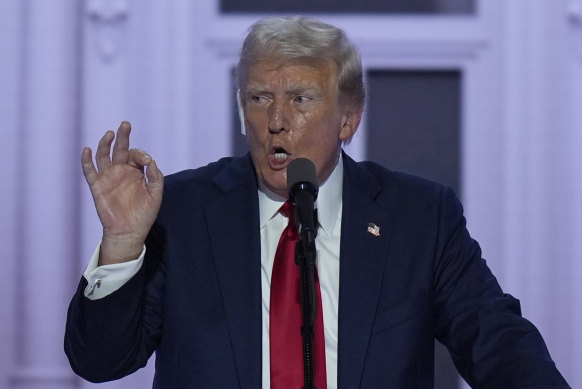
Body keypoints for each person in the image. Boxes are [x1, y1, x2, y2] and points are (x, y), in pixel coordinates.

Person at [64, 16, 570, 388]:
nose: (276, 121)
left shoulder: (419, 217)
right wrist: (123, 243)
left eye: (301, 99)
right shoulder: (181, 210)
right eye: (259, 98)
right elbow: (100, 361)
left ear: (349, 119)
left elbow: (496, 340)